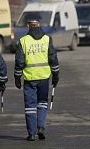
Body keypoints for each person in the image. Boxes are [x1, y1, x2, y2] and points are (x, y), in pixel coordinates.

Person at [14, 13, 59, 141]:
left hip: (29, 79)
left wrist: (17, 77)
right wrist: (55, 75)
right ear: (38, 24)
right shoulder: (47, 39)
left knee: (30, 106)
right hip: (44, 78)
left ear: (29, 25)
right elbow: (53, 59)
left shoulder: (23, 41)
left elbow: (19, 62)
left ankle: (31, 133)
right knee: (42, 104)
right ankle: (41, 128)